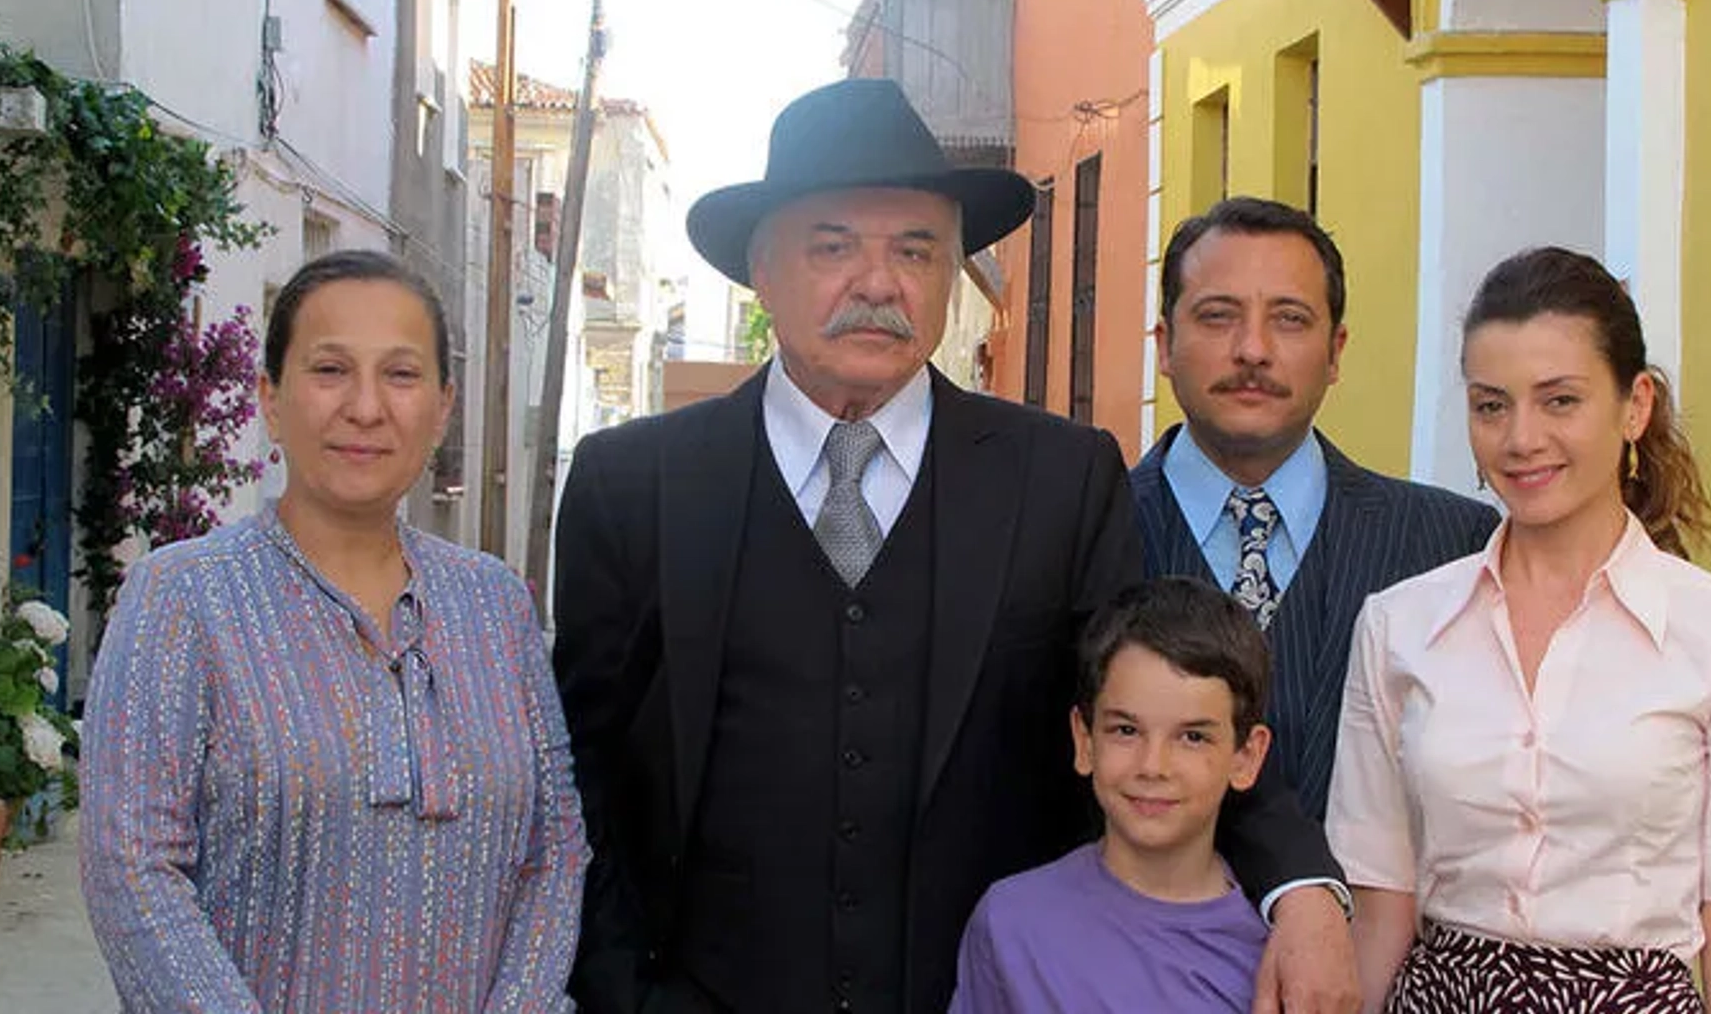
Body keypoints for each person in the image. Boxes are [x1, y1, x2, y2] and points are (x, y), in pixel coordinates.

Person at [552, 80, 1335, 1014]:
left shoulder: (1059, 479)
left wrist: (1303, 890)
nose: (878, 284)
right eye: (834, 245)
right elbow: (579, 781)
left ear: (952, 274)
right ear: (761, 269)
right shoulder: (634, 485)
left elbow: (1168, 695)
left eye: (916, 250)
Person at [1130, 197, 1711, 1014]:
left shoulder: (1447, 536)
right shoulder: (1079, 529)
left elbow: (1663, 724)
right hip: (1139, 970)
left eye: (1288, 318)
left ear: (1336, 350)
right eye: (1490, 404)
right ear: (1164, 346)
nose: (1253, 350)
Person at [80, 251, 588, 1012]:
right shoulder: (183, 598)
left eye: (402, 375)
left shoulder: (495, 606)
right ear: (270, 399)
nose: (365, 407)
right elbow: (133, 871)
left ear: (443, 407)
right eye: (329, 370)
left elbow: (554, 851)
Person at [1326, 246, 1711, 1012]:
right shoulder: (1398, 626)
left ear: (1635, 405)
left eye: (1560, 401)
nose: (1521, 439)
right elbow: (1381, 905)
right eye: (1491, 404)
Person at [950, 578, 1276, 1013]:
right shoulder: (1010, 925)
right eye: (1126, 730)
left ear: (1246, 756)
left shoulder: (1278, 956)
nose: (1153, 765)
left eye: (1193, 737)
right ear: (1084, 740)